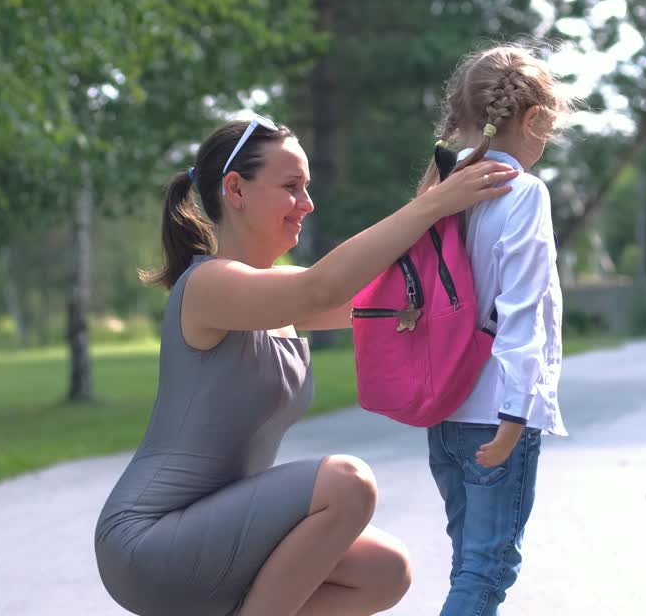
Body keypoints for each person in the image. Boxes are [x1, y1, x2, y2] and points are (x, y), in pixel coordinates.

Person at [94, 114, 519, 616]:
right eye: (291, 186)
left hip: (216, 532)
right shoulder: (209, 286)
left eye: (307, 187)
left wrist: (445, 183)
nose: (307, 204)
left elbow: (386, 289)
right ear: (236, 189)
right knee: (347, 483)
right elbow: (324, 287)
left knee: (383, 572)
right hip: (151, 539)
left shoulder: (276, 294)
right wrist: (430, 206)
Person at [417, 44, 571, 615]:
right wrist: (515, 416)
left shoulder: (441, 189)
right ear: (531, 119)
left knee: (469, 563)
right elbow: (523, 311)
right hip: (496, 413)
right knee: (488, 569)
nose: (547, 140)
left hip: (445, 409)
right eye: (549, 127)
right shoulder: (523, 194)